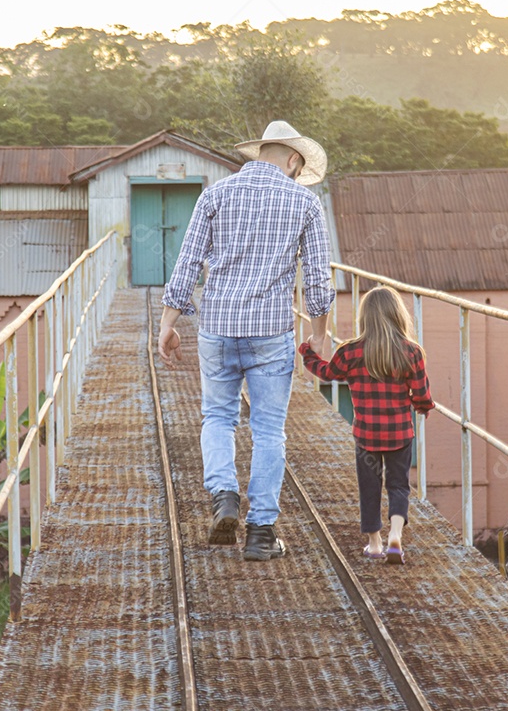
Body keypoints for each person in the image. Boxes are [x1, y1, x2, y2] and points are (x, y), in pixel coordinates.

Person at [158, 120, 335, 562]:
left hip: (217, 326)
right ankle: (260, 534)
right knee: (269, 430)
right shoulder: (304, 202)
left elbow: (188, 261)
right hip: (271, 332)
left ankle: (224, 498)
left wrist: (167, 322)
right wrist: (318, 333)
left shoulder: (215, 195)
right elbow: (317, 277)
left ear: (261, 152)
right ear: (294, 159)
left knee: (217, 416)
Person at [299, 286, 433, 565]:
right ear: (398, 316)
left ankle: (374, 544)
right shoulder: (412, 352)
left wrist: (308, 352)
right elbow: (421, 394)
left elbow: (326, 372)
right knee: (399, 486)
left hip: (366, 434)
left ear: (365, 318)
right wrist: (423, 407)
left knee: (369, 486)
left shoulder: (349, 351)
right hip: (399, 433)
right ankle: (396, 535)